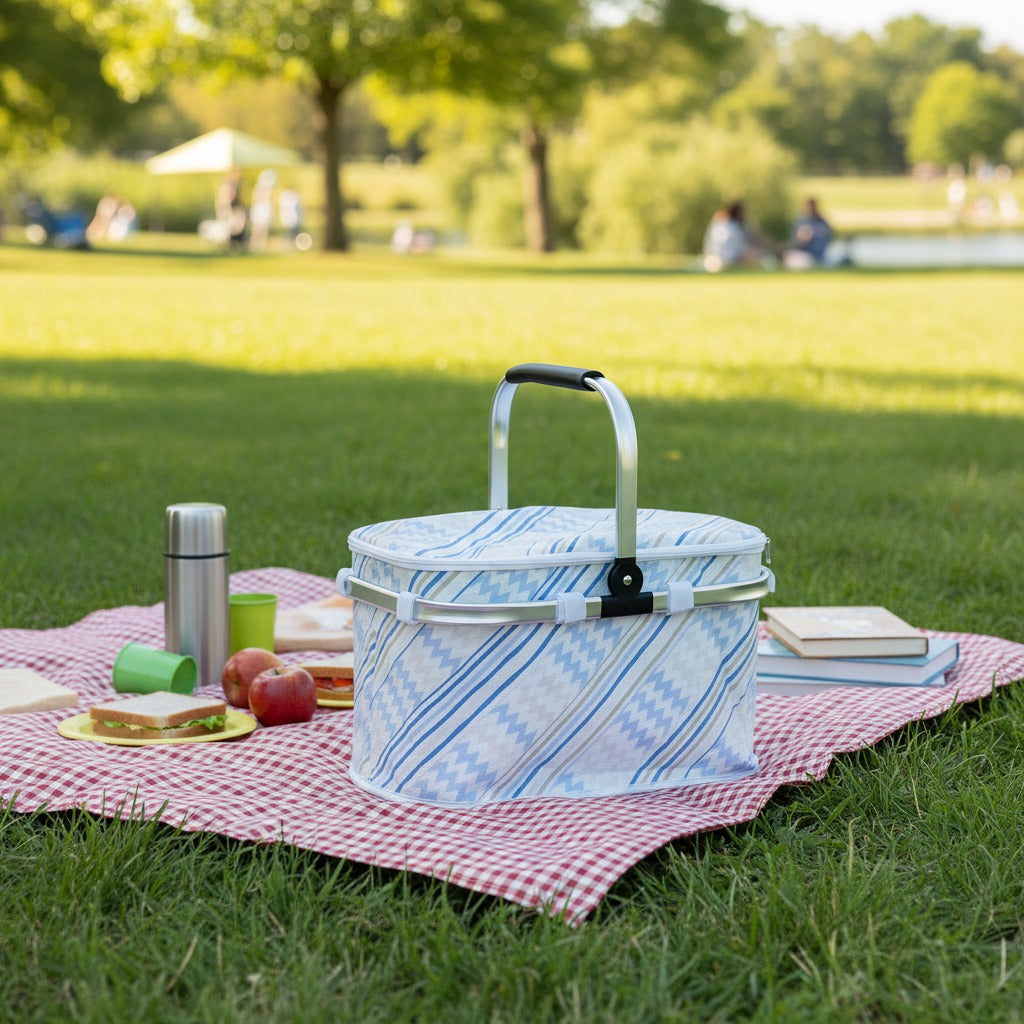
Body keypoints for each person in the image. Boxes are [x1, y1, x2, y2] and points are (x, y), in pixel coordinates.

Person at [702, 201, 770, 271]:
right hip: (728, 257)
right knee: (759, 256)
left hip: (715, 255)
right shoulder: (732, 226)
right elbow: (741, 247)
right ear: (737, 213)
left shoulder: (720, 222)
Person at [784, 197, 833, 268]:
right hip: (804, 254)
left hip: (821, 254)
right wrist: (801, 239)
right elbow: (793, 243)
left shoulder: (822, 222)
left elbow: (829, 238)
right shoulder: (800, 222)